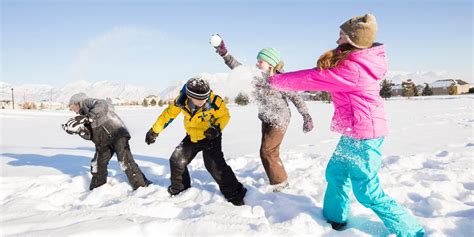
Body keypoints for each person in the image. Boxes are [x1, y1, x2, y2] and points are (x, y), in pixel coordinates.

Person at [268, 14, 424, 236]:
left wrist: (276, 81)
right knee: (336, 173)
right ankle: (335, 218)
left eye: (341, 35)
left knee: (367, 191)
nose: (336, 40)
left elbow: (314, 78)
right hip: (354, 131)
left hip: (366, 134)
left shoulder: (354, 69)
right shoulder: (353, 63)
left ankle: (412, 232)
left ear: (353, 40)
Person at [210, 34, 314, 192]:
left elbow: (296, 98)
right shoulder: (255, 77)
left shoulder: (281, 79)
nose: (257, 63)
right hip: (266, 118)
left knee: (267, 151)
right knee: (271, 151)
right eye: (257, 60)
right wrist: (224, 53)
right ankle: (278, 177)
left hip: (280, 119)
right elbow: (237, 67)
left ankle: (281, 183)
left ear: (271, 64)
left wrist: (306, 116)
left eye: (261, 61)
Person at [145, 77, 247, 206]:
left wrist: (216, 128)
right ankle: (180, 190)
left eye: (205, 97)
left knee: (214, 165)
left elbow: (225, 116)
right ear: (189, 96)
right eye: (200, 98)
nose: (204, 100)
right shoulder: (180, 101)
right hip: (192, 136)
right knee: (176, 160)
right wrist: (154, 131)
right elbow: (168, 115)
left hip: (211, 136)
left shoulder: (215, 101)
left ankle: (235, 192)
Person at [62, 93, 151, 191]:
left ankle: (143, 186)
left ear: (77, 102)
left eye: (72, 108)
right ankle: (97, 189)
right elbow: (91, 135)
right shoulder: (84, 116)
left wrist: (88, 117)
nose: (73, 111)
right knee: (97, 164)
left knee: (125, 161)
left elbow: (102, 104)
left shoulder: (87, 102)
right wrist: (80, 131)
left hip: (117, 134)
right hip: (103, 141)